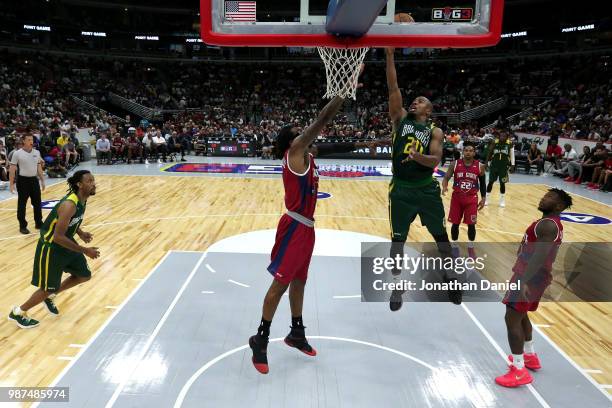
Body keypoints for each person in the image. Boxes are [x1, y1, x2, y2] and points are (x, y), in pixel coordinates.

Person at [248, 93, 355, 375]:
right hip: (294, 227)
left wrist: (370, 143)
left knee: (299, 283)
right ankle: (260, 339)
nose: (305, 135)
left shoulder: (307, 156)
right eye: (298, 133)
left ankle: (296, 333)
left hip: (306, 228)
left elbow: (333, 146)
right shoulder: (295, 153)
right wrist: (343, 93)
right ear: (293, 141)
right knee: (280, 286)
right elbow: (322, 120)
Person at [383, 46, 461, 312]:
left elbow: (435, 160)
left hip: (426, 189)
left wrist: (417, 156)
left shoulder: (434, 130)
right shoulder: (400, 119)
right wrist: (390, 55)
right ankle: (396, 285)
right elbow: (394, 88)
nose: (415, 102)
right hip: (401, 191)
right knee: (397, 242)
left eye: (421, 101)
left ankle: (451, 279)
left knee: (441, 239)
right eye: (413, 99)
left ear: (429, 110)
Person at [496, 188, 572, 387]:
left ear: (559, 206)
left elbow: (539, 257)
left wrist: (523, 281)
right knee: (521, 315)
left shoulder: (547, 225)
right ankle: (529, 355)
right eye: (545, 195)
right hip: (536, 277)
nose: (543, 198)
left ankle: (519, 370)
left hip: (529, 277)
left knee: (511, 317)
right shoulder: (551, 223)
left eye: (549, 198)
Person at [8, 170, 100, 329]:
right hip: (52, 247)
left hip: (66, 243)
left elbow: (69, 222)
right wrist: (85, 250)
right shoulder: (69, 205)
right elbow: (58, 236)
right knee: (47, 288)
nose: (93, 183)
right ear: (79, 184)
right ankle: (18, 312)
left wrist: (80, 232)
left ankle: (51, 295)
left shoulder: (82, 200)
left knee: (84, 275)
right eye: (89, 181)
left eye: (93, 180)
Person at [441, 142, 486, 258]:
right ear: (462, 151)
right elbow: (446, 177)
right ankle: (455, 247)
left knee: (471, 225)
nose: (468, 152)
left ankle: (471, 248)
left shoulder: (480, 166)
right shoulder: (455, 164)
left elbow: (483, 183)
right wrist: (444, 186)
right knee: (455, 224)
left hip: (471, 199)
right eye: (466, 150)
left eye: (471, 150)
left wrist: (484, 198)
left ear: (474, 152)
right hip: (457, 199)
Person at [9, 135, 45, 235]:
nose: (31, 141)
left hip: (34, 180)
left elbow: (38, 167)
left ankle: (39, 223)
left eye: (32, 140)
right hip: (22, 181)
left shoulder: (36, 152)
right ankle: (22, 226)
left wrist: (42, 180)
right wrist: (11, 184)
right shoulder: (17, 154)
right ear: (23, 141)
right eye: (28, 140)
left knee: (37, 203)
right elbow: (12, 170)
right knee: (22, 204)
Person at [485, 130, 514, 207]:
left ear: (507, 137)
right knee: (490, 182)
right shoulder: (494, 142)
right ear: (499, 136)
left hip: (504, 167)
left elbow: (512, 155)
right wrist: (486, 163)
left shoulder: (510, 144)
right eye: (501, 136)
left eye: (504, 136)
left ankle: (502, 200)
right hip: (494, 166)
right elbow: (489, 153)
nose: (502, 137)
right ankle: (486, 199)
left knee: (502, 183)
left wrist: (512, 165)